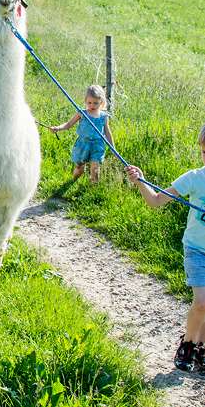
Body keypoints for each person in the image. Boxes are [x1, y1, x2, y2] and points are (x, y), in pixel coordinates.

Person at [125, 123, 205, 372]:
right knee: (202, 302)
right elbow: (157, 201)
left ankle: (202, 347)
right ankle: (188, 345)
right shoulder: (194, 178)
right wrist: (140, 181)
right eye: (204, 151)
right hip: (196, 250)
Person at [49, 85, 114, 183]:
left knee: (95, 168)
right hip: (83, 144)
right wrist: (58, 128)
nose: (92, 105)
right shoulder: (82, 113)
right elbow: (69, 124)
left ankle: (93, 189)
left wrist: (112, 147)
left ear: (101, 102)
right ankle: (73, 181)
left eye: (95, 103)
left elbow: (107, 132)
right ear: (85, 101)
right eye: (89, 102)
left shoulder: (104, 116)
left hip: (97, 145)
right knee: (79, 167)